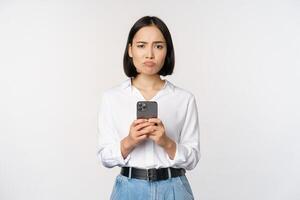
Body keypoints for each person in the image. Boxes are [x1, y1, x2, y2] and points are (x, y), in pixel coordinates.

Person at [97, 16, 200, 200]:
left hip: (174, 188)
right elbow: (104, 156)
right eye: (141, 45)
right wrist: (129, 141)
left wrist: (166, 142)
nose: (149, 54)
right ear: (130, 50)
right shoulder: (112, 98)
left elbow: (192, 159)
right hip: (129, 189)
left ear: (167, 51)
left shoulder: (184, 99)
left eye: (158, 46)